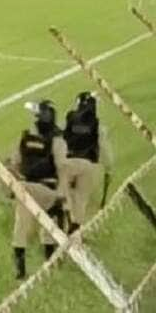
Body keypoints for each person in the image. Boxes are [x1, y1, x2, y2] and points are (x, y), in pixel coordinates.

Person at [9, 99, 67, 279]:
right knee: (53, 217)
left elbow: (14, 163)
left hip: (25, 188)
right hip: (46, 189)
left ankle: (20, 269)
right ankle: (51, 259)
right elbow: (62, 168)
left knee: (21, 226)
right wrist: (61, 195)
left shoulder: (24, 138)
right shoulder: (56, 141)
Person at [63, 92, 113, 233]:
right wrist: (109, 170)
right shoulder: (98, 128)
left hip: (68, 165)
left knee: (65, 197)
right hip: (87, 167)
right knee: (80, 202)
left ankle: (67, 224)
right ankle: (75, 233)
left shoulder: (69, 121)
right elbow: (106, 152)